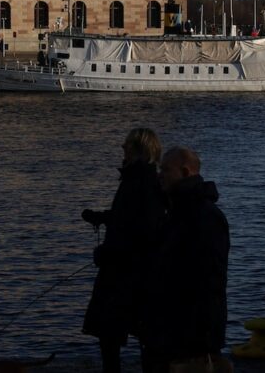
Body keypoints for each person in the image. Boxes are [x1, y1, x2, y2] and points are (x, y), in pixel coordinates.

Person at [82, 128, 167, 373]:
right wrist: (102, 217)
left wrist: (108, 252)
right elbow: (130, 218)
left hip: (126, 271)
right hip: (128, 269)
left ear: (138, 150)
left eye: (126, 146)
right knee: (129, 331)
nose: (122, 149)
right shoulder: (142, 179)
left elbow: (141, 227)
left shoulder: (141, 181)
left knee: (113, 330)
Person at [145, 146, 231, 373]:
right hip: (174, 328)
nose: (159, 174)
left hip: (186, 332)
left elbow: (206, 279)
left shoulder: (200, 216)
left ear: (185, 172)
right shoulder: (182, 212)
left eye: (165, 169)